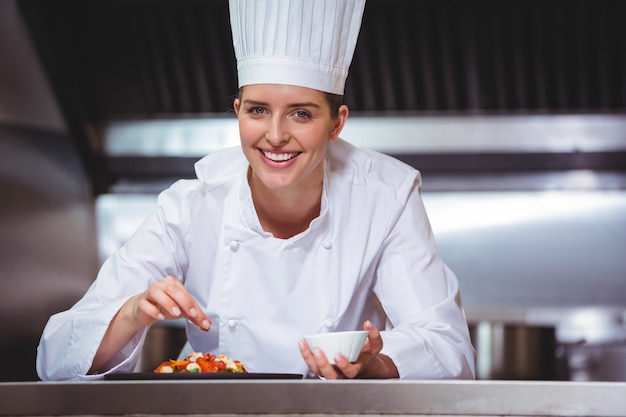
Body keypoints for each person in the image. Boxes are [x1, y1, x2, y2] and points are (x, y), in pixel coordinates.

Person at [36, 0, 475, 381]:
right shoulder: (192, 206)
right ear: (237, 112)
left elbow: (448, 348)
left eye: (301, 114)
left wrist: (376, 365)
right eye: (258, 110)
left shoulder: (386, 197)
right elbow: (55, 356)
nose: (275, 135)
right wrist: (134, 312)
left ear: (337, 123)